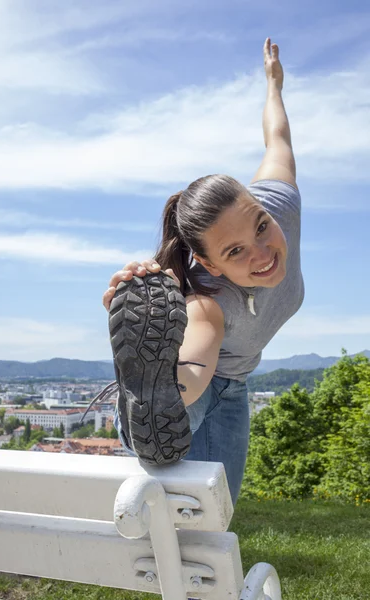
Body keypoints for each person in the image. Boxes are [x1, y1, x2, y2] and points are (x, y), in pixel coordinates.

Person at [101, 38, 304, 505]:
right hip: (200, 379)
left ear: (264, 208)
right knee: (168, 423)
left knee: (216, 508)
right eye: (236, 251)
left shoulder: (281, 204)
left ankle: (150, 402)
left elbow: (279, 139)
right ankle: (141, 404)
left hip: (237, 385)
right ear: (210, 263)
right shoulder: (207, 297)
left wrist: (274, 84)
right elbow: (196, 364)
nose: (263, 252)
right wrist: (161, 390)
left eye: (260, 227)